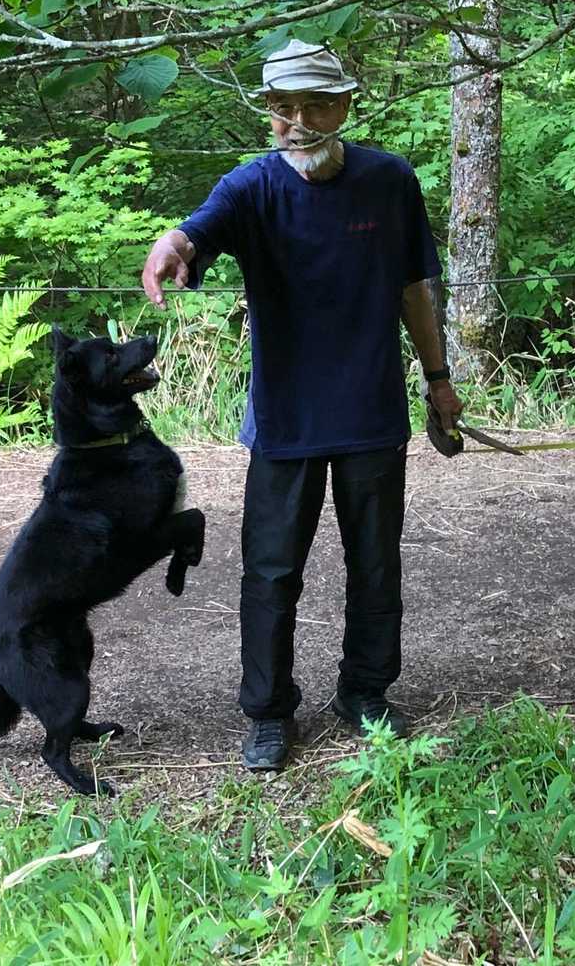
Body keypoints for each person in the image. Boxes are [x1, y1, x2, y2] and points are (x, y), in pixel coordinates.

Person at [140, 40, 462, 772]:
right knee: (271, 571)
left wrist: (438, 378)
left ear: (344, 106)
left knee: (375, 564)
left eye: (315, 105)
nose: (297, 122)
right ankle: (268, 712)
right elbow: (199, 226)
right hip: (284, 419)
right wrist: (173, 244)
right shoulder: (251, 187)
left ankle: (365, 692)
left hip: (372, 411)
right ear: (268, 113)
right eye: (283, 108)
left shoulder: (388, 180)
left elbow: (414, 288)